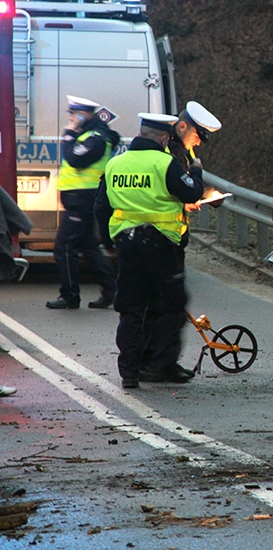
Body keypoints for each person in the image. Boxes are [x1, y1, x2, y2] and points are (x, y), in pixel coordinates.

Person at [94, 113, 205, 389]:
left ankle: (130, 372)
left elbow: (100, 207)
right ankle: (161, 364)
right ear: (164, 138)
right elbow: (191, 193)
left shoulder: (115, 164)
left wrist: (110, 244)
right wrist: (198, 171)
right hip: (162, 245)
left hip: (127, 245)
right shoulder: (164, 162)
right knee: (171, 304)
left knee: (131, 308)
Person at [46, 95, 119, 310]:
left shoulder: (96, 138)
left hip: (82, 201)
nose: (71, 118)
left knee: (64, 247)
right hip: (81, 200)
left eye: (74, 114)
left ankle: (69, 296)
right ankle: (110, 291)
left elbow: (75, 160)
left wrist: (69, 133)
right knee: (89, 248)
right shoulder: (90, 135)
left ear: (84, 114)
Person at [166, 101, 223, 246]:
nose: (197, 144)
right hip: (161, 231)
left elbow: (184, 180)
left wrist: (208, 193)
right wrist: (184, 203)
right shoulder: (166, 149)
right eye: (197, 137)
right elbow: (160, 187)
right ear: (182, 126)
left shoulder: (184, 147)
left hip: (174, 230)